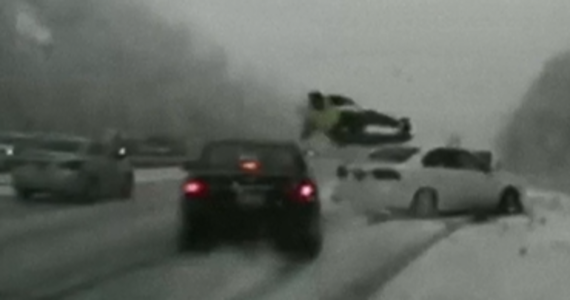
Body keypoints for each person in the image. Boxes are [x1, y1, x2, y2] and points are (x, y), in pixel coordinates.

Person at [300, 91, 413, 147]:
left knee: (368, 116)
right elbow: (307, 130)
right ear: (312, 104)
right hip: (335, 131)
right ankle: (395, 138)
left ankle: (398, 124)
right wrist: (305, 136)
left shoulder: (328, 99)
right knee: (363, 138)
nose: (319, 104)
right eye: (316, 103)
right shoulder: (311, 115)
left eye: (320, 101)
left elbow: (342, 99)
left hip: (343, 117)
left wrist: (349, 101)